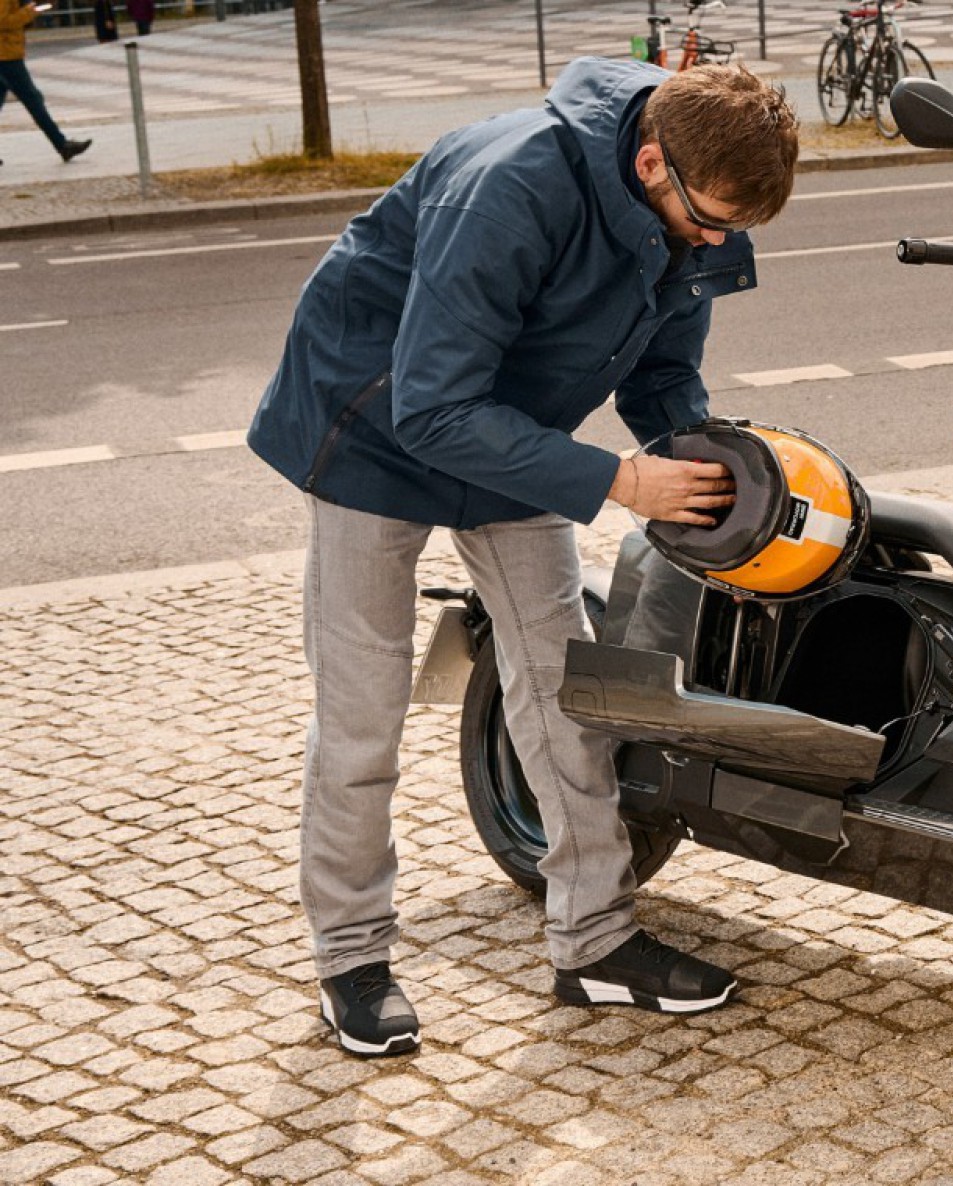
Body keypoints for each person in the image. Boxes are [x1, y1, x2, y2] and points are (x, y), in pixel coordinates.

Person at [246, 59, 798, 1058]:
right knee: (364, 707)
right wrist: (620, 484)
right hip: (371, 427)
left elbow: (666, 367)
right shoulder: (509, 186)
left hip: (511, 432)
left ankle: (592, 939)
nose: (715, 243)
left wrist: (702, 465)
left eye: (732, 231)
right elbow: (431, 407)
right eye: (707, 220)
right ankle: (351, 956)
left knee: (561, 686)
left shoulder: (694, 197)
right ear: (648, 162)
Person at [0, 0, 93, 164]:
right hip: (6, 56)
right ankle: (62, 145)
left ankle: (62, 145)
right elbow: (3, 20)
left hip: (6, 53)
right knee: (33, 100)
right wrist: (29, 12)